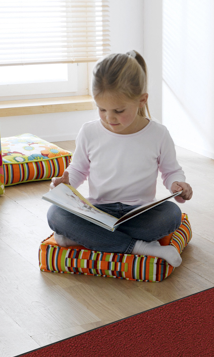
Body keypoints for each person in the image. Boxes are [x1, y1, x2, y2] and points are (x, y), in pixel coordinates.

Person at [47, 50, 192, 267]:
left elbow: (171, 171)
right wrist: (67, 184)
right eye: (101, 109)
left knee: (171, 214)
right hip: (98, 211)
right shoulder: (89, 132)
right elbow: (78, 169)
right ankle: (142, 247)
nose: (109, 117)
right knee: (55, 215)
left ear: (142, 100)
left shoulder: (158, 134)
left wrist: (177, 185)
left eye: (118, 110)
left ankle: (89, 238)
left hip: (139, 214)